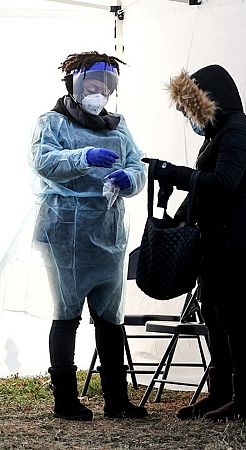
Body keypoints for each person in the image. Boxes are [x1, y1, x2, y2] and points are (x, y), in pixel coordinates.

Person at [146, 64, 246, 419]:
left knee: (233, 318)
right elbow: (207, 186)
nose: (188, 116)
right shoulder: (219, 134)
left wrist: (174, 174)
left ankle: (245, 401)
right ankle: (221, 393)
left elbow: (223, 183)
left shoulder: (237, 132)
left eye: (190, 108)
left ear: (207, 102)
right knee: (215, 316)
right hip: (217, 239)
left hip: (237, 240)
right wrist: (179, 211)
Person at [32, 51, 147, 420]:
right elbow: (45, 161)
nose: (99, 91)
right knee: (67, 312)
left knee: (110, 315)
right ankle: (65, 400)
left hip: (107, 232)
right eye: (92, 83)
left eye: (106, 85)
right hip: (65, 229)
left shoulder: (117, 125)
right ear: (75, 84)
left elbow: (135, 164)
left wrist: (128, 179)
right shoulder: (52, 122)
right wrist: (84, 157)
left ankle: (117, 400)